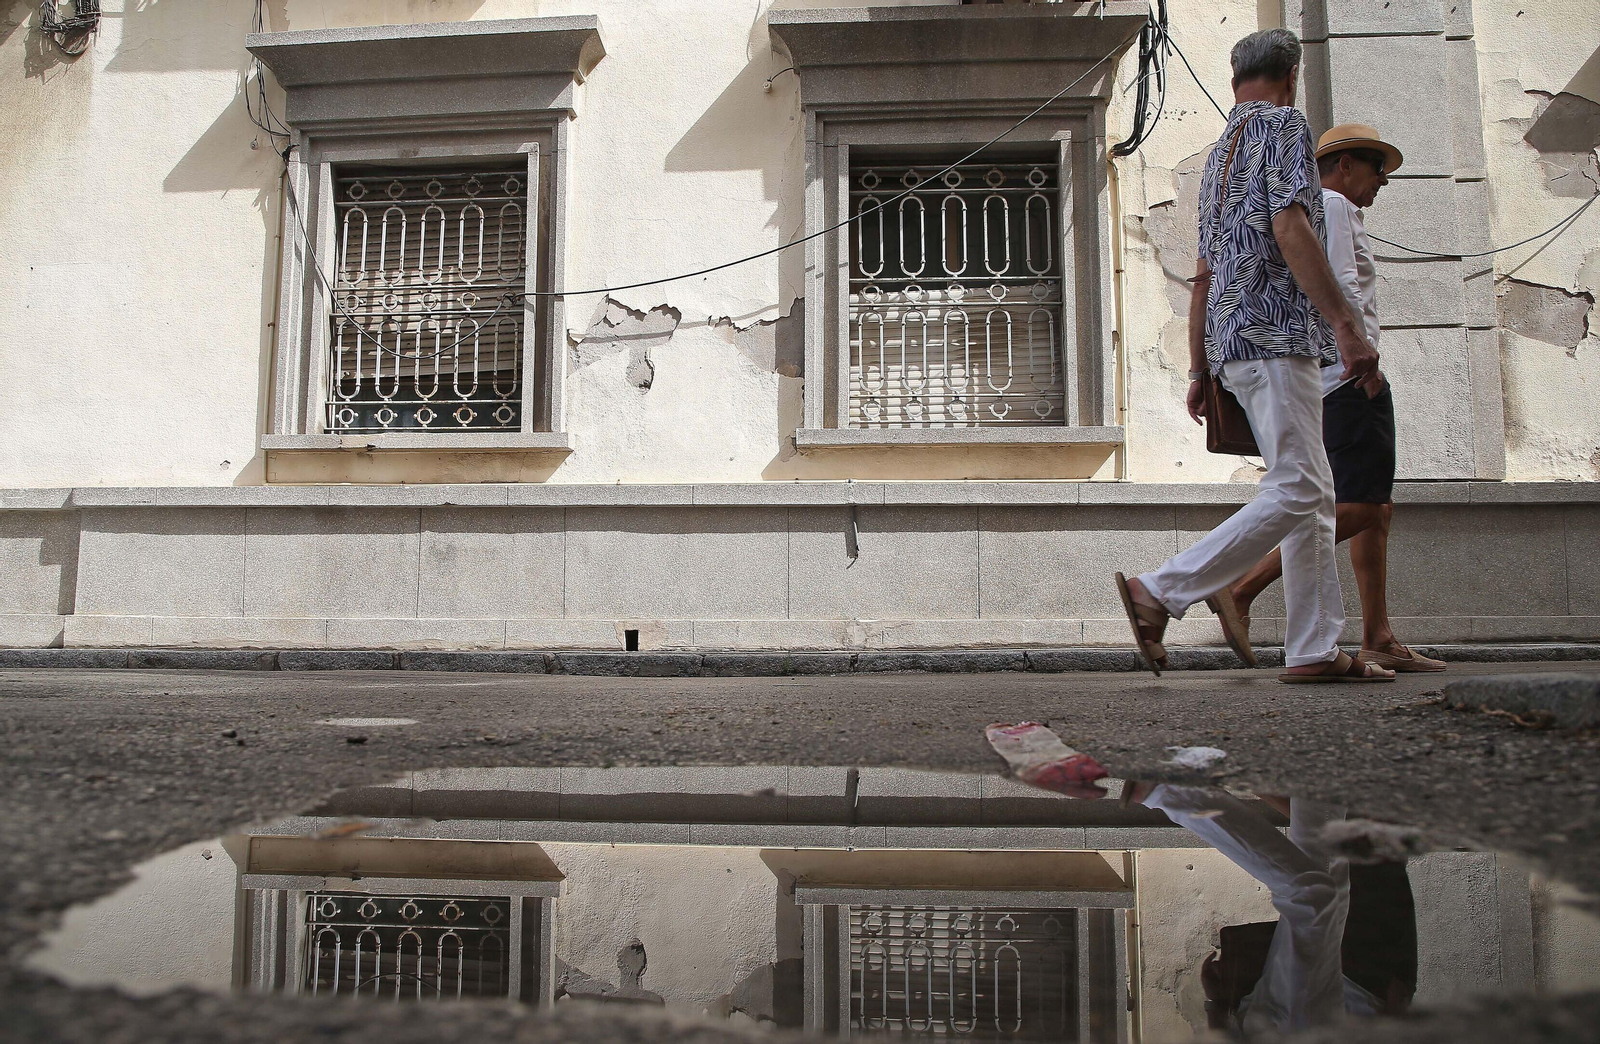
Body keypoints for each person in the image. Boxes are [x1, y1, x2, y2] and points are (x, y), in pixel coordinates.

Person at [1113, 28, 1394, 684]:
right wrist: (1347, 327)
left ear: (1235, 80)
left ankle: (1314, 647)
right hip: (1276, 337)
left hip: (1233, 343)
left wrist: (1199, 366)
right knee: (1302, 485)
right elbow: (1290, 227)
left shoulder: (1219, 155)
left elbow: (1204, 273)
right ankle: (1161, 589)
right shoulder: (1285, 126)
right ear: (1291, 76)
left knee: (1314, 493)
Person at [1227, 125, 1446, 673]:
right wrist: (1360, 354)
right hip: (1348, 375)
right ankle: (1242, 587)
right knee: (1358, 505)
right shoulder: (1335, 206)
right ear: (1345, 165)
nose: (1382, 182)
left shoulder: (1314, 209)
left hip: (1329, 373)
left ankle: (1379, 635)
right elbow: (1344, 284)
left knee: (1376, 506)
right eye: (1377, 169)